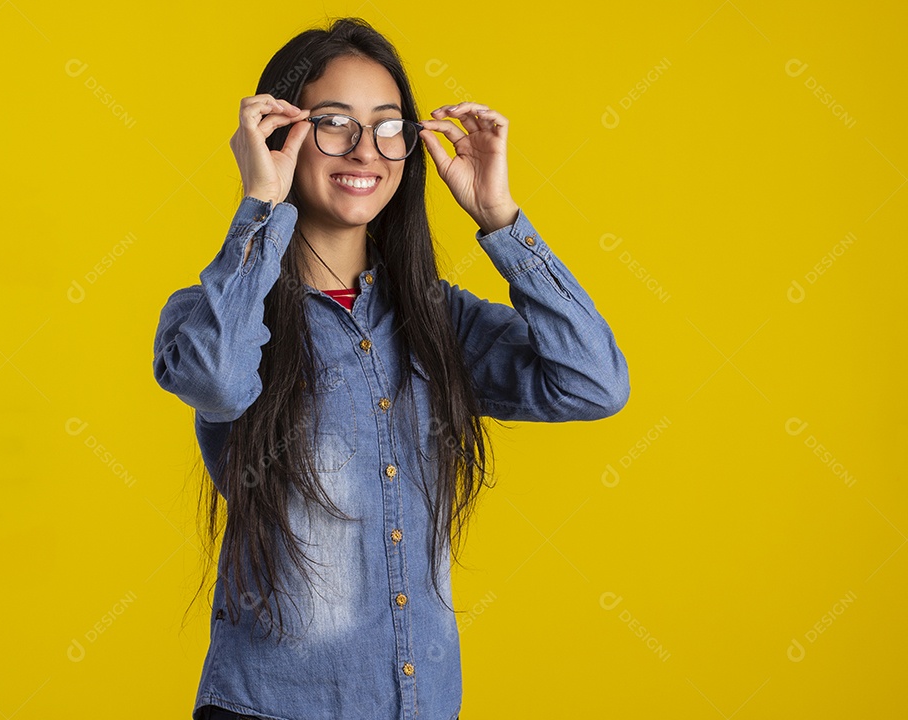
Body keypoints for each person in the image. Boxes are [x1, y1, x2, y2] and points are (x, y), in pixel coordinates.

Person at [152, 16, 630, 720]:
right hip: (271, 707)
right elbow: (219, 382)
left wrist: (501, 219)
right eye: (334, 123)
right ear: (280, 135)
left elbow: (593, 384)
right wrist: (260, 205)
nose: (366, 150)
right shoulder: (215, 313)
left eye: (387, 126)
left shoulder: (439, 318)